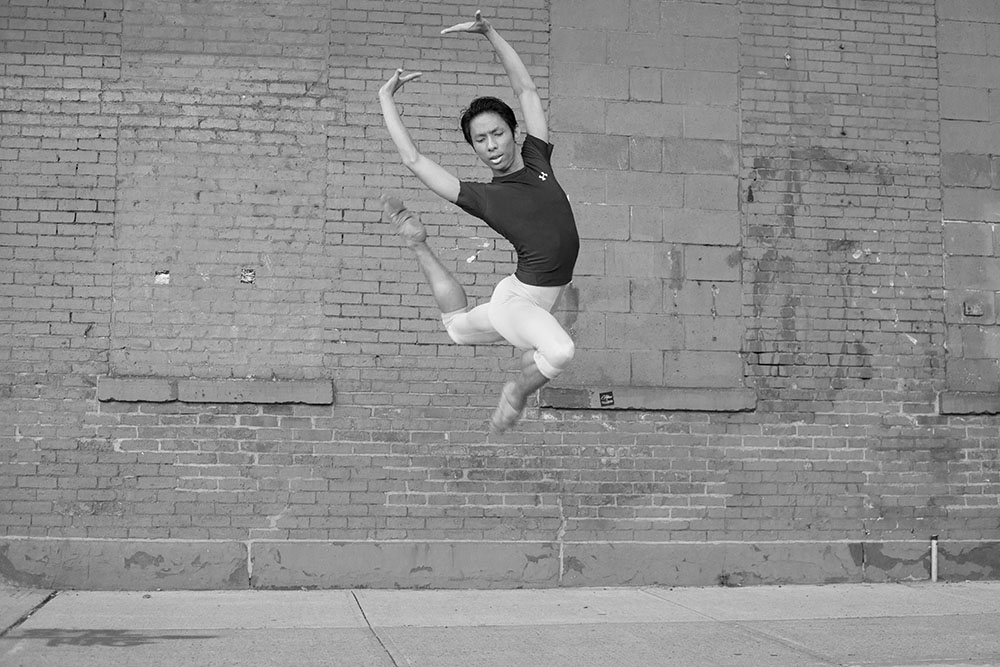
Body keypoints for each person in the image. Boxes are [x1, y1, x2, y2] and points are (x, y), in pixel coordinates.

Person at [378, 10, 579, 433]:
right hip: (520, 305)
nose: (491, 146)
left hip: (531, 299)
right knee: (560, 351)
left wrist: (490, 32)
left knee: (458, 329)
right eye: (480, 140)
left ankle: (418, 244)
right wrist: (385, 99)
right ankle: (517, 392)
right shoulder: (483, 197)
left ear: (513, 132)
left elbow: (526, 90)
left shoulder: (538, 158)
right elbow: (413, 159)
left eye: (497, 133)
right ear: (473, 147)